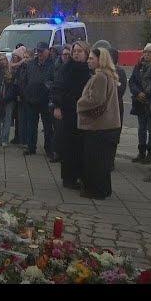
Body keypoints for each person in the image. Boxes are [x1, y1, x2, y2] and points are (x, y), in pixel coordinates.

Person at [76, 47, 121, 199]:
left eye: (91, 59)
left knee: (95, 160)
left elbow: (96, 100)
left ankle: (96, 191)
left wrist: (80, 103)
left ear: (100, 60)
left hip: (99, 125)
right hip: (107, 126)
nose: (88, 61)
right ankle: (103, 190)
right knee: (102, 161)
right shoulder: (107, 75)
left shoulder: (101, 77)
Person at [52, 41, 91, 189]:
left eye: (79, 51)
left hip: (83, 112)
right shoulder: (66, 68)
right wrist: (57, 106)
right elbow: (58, 87)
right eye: (74, 51)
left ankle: (80, 175)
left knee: (81, 146)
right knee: (69, 146)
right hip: (68, 111)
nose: (76, 54)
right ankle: (68, 178)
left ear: (86, 53)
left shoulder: (88, 69)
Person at [21, 42, 56, 158]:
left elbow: (54, 80)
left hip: (46, 100)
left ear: (48, 51)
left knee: (47, 126)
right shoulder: (31, 64)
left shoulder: (52, 64)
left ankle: (49, 148)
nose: (39, 53)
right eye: (38, 51)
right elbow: (25, 79)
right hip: (31, 98)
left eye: (42, 51)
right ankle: (31, 147)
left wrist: (47, 87)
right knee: (31, 124)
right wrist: (26, 92)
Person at [128, 43, 151, 163]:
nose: (146, 55)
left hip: (149, 102)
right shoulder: (138, 66)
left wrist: (146, 94)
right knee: (141, 129)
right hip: (140, 102)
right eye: (145, 52)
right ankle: (141, 152)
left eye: (149, 52)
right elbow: (132, 81)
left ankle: (150, 153)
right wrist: (138, 93)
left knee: (150, 129)